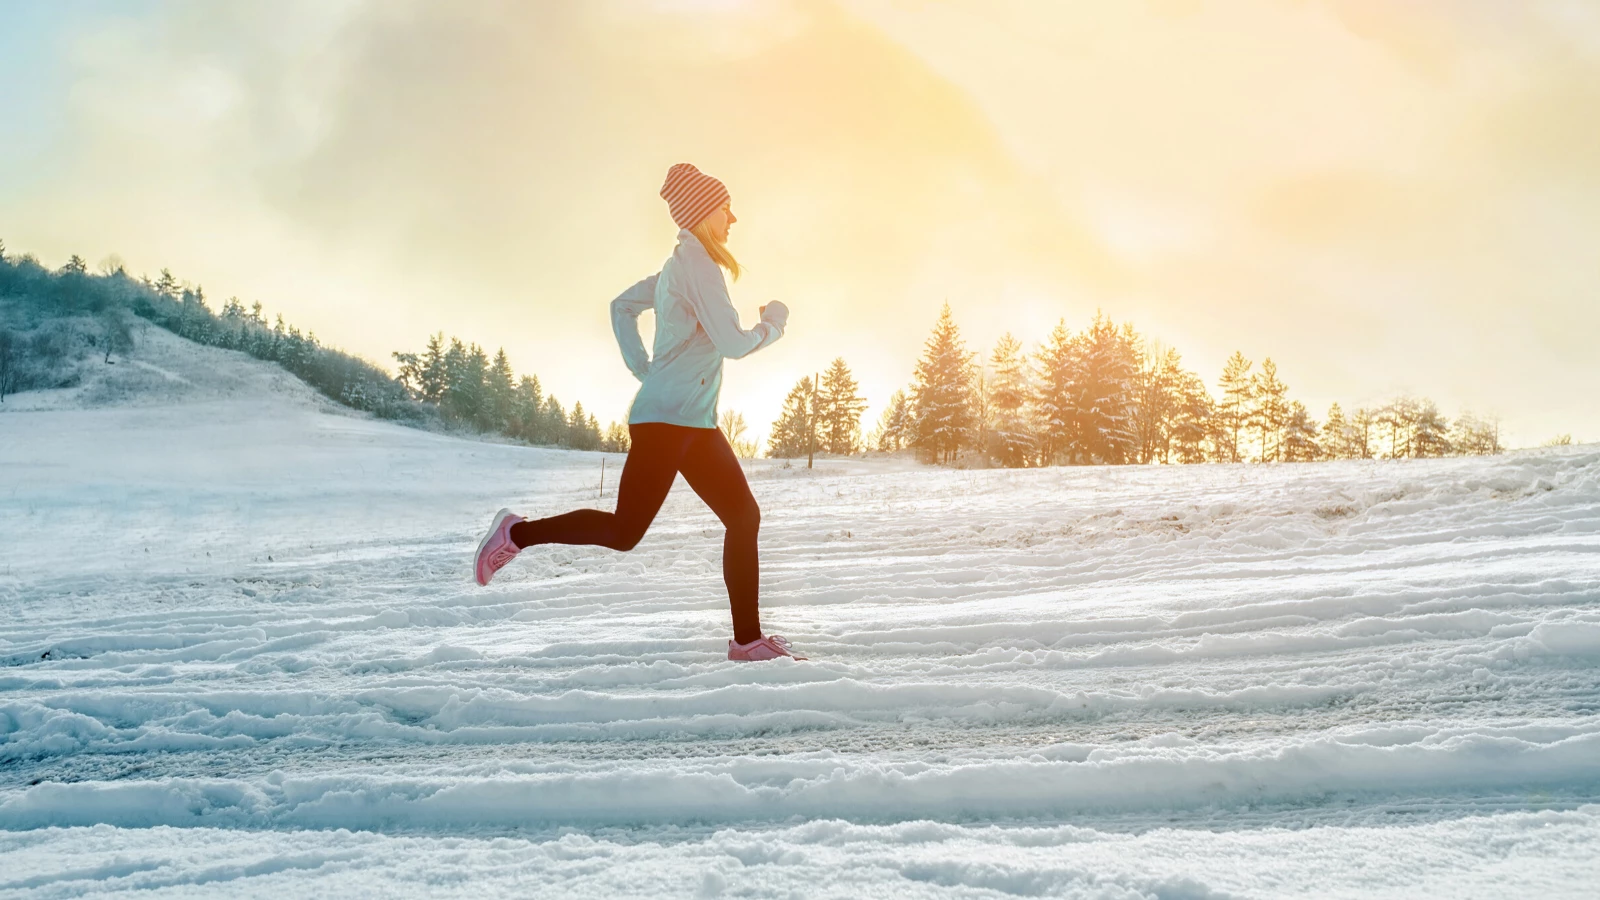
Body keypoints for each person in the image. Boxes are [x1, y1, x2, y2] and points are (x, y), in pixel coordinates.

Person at [471, 163, 802, 662]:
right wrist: (772, 324)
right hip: (668, 422)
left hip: (692, 421)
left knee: (743, 517)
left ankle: (746, 640)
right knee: (626, 532)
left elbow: (621, 306)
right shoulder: (697, 267)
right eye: (725, 208)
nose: (733, 219)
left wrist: (643, 368)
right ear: (704, 212)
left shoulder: (679, 268)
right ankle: (514, 533)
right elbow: (733, 343)